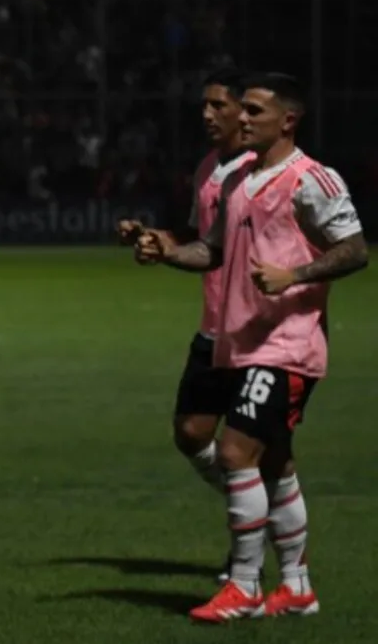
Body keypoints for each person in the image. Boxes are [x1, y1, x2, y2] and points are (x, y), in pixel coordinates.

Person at [136, 72, 367, 623]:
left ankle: (243, 586)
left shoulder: (312, 179)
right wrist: (167, 252)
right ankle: (296, 586)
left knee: (236, 452)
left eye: (255, 112)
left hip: (287, 344)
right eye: (244, 111)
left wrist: (297, 273)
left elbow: (356, 250)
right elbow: (212, 251)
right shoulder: (239, 177)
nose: (242, 118)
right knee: (275, 464)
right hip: (240, 342)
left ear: (288, 120)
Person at [117, 68, 255, 583]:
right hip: (212, 327)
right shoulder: (208, 167)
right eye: (204, 105)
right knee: (191, 432)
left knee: (256, 450)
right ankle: (256, 512)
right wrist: (157, 239)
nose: (207, 114)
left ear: (246, 111)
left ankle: (255, 547)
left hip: (252, 331)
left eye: (219, 104)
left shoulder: (256, 171)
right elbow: (205, 239)